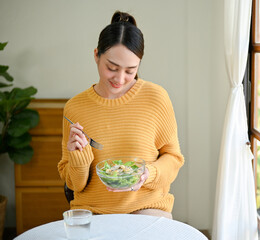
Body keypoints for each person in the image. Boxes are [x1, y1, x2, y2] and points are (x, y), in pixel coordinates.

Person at [58, 11, 184, 219]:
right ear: (96, 55)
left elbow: (174, 158)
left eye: (130, 70)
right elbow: (74, 185)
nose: (120, 78)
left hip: (147, 208)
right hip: (91, 212)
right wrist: (77, 155)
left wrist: (148, 174)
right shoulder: (75, 108)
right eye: (112, 68)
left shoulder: (156, 98)